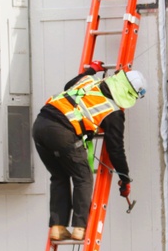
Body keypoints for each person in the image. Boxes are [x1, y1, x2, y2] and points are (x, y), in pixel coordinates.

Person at [32, 63, 146, 241]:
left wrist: (91, 69)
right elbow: (115, 149)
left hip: (40, 125)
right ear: (129, 95)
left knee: (59, 176)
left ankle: (57, 226)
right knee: (83, 177)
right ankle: (79, 227)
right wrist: (125, 179)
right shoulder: (113, 112)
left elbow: (68, 85)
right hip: (63, 132)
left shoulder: (88, 80)